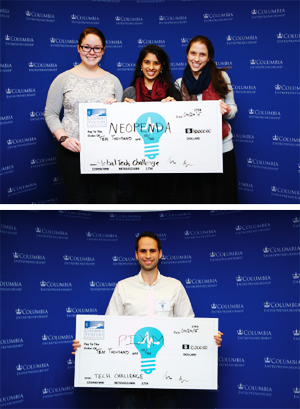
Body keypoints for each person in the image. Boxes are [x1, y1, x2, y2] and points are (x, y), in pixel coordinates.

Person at [72, 231, 223, 409]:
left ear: (160, 253)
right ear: (136, 254)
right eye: (143, 251)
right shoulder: (123, 286)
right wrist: (87, 346)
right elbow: (109, 327)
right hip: (129, 370)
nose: (148, 255)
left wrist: (208, 339)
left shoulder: (175, 286)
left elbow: (189, 325)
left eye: (152, 250)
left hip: (168, 371)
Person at [44, 27, 123, 204]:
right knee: (78, 201)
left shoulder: (113, 81)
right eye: (87, 47)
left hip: (105, 152)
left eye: (97, 48)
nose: (91, 52)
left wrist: (115, 109)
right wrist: (64, 138)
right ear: (79, 48)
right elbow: (51, 113)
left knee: (108, 200)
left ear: (103, 50)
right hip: (72, 153)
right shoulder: (63, 79)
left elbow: (119, 121)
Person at [175, 35, 238, 204]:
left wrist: (226, 110)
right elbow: (176, 120)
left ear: (209, 57)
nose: (196, 59)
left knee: (222, 199)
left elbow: (233, 109)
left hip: (222, 148)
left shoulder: (221, 77)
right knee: (197, 199)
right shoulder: (179, 83)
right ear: (187, 54)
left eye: (202, 54)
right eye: (193, 53)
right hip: (194, 152)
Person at [122, 45, 182, 204]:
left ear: (162, 66)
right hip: (137, 159)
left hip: (167, 158)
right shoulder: (130, 92)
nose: (151, 67)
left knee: (163, 198)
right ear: (140, 65)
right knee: (141, 199)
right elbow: (122, 130)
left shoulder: (173, 91)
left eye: (156, 63)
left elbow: (180, 127)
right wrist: (121, 110)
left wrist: (177, 108)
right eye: (147, 62)